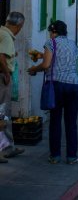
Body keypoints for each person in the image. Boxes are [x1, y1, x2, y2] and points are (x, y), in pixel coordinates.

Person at [28, 21, 78, 165]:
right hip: (74, 84)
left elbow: (46, 64)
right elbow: (63, 59)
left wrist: (34, 69)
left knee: (55, 121)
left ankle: (55, 156)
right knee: (71, 122)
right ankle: (72, 156)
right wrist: (42, 55)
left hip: (57, 85)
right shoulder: (72, 44)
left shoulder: (50, 43)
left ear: (53, 32)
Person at [0, 12, 25, 160]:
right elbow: (1, 56)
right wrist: (6, 73)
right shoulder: (7, 37)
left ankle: (8, 146)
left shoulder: (2, 32)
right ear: (18, 25)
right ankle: (5, 148)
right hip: (2, 78)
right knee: (2, 114)